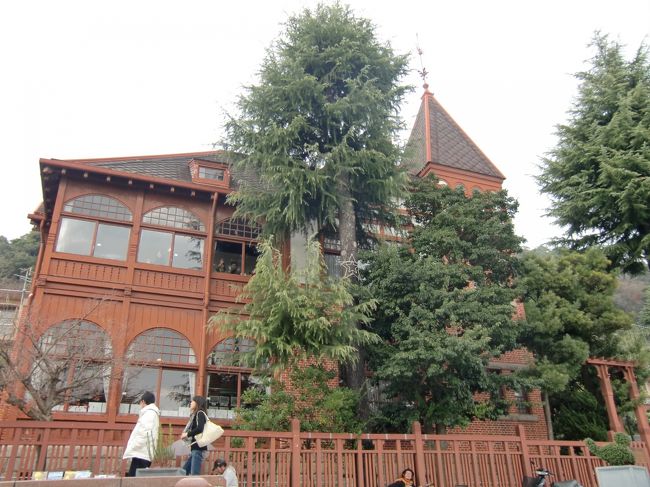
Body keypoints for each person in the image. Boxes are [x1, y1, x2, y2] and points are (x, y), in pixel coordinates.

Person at [123, 391, 160, 477]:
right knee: (137, 477)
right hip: (143, 452)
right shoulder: (151, 413)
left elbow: (144, 433)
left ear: (143, 401)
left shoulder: (149, 413)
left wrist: (134, 446)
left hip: (141, 452)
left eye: (140, 402)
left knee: (135, 477)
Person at [181, 395, 208, 475]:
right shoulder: (195, 415)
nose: (191, 403)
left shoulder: (200, 413)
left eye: (192, 401)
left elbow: (200, 428)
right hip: (195, 448)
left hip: (198, 448)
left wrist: (187, 434)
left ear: (197, 403)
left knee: (194, 474)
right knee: (184, 472)